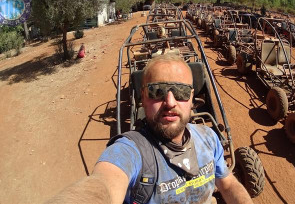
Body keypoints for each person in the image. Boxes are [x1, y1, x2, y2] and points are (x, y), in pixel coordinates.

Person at [46, 54, 253, 204]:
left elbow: (228, 185)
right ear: (143, 98)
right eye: (157, 91)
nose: (170, 102)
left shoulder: (209, 138)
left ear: (192, 98)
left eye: (180, 91)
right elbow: (103, 185)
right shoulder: (130, 151)